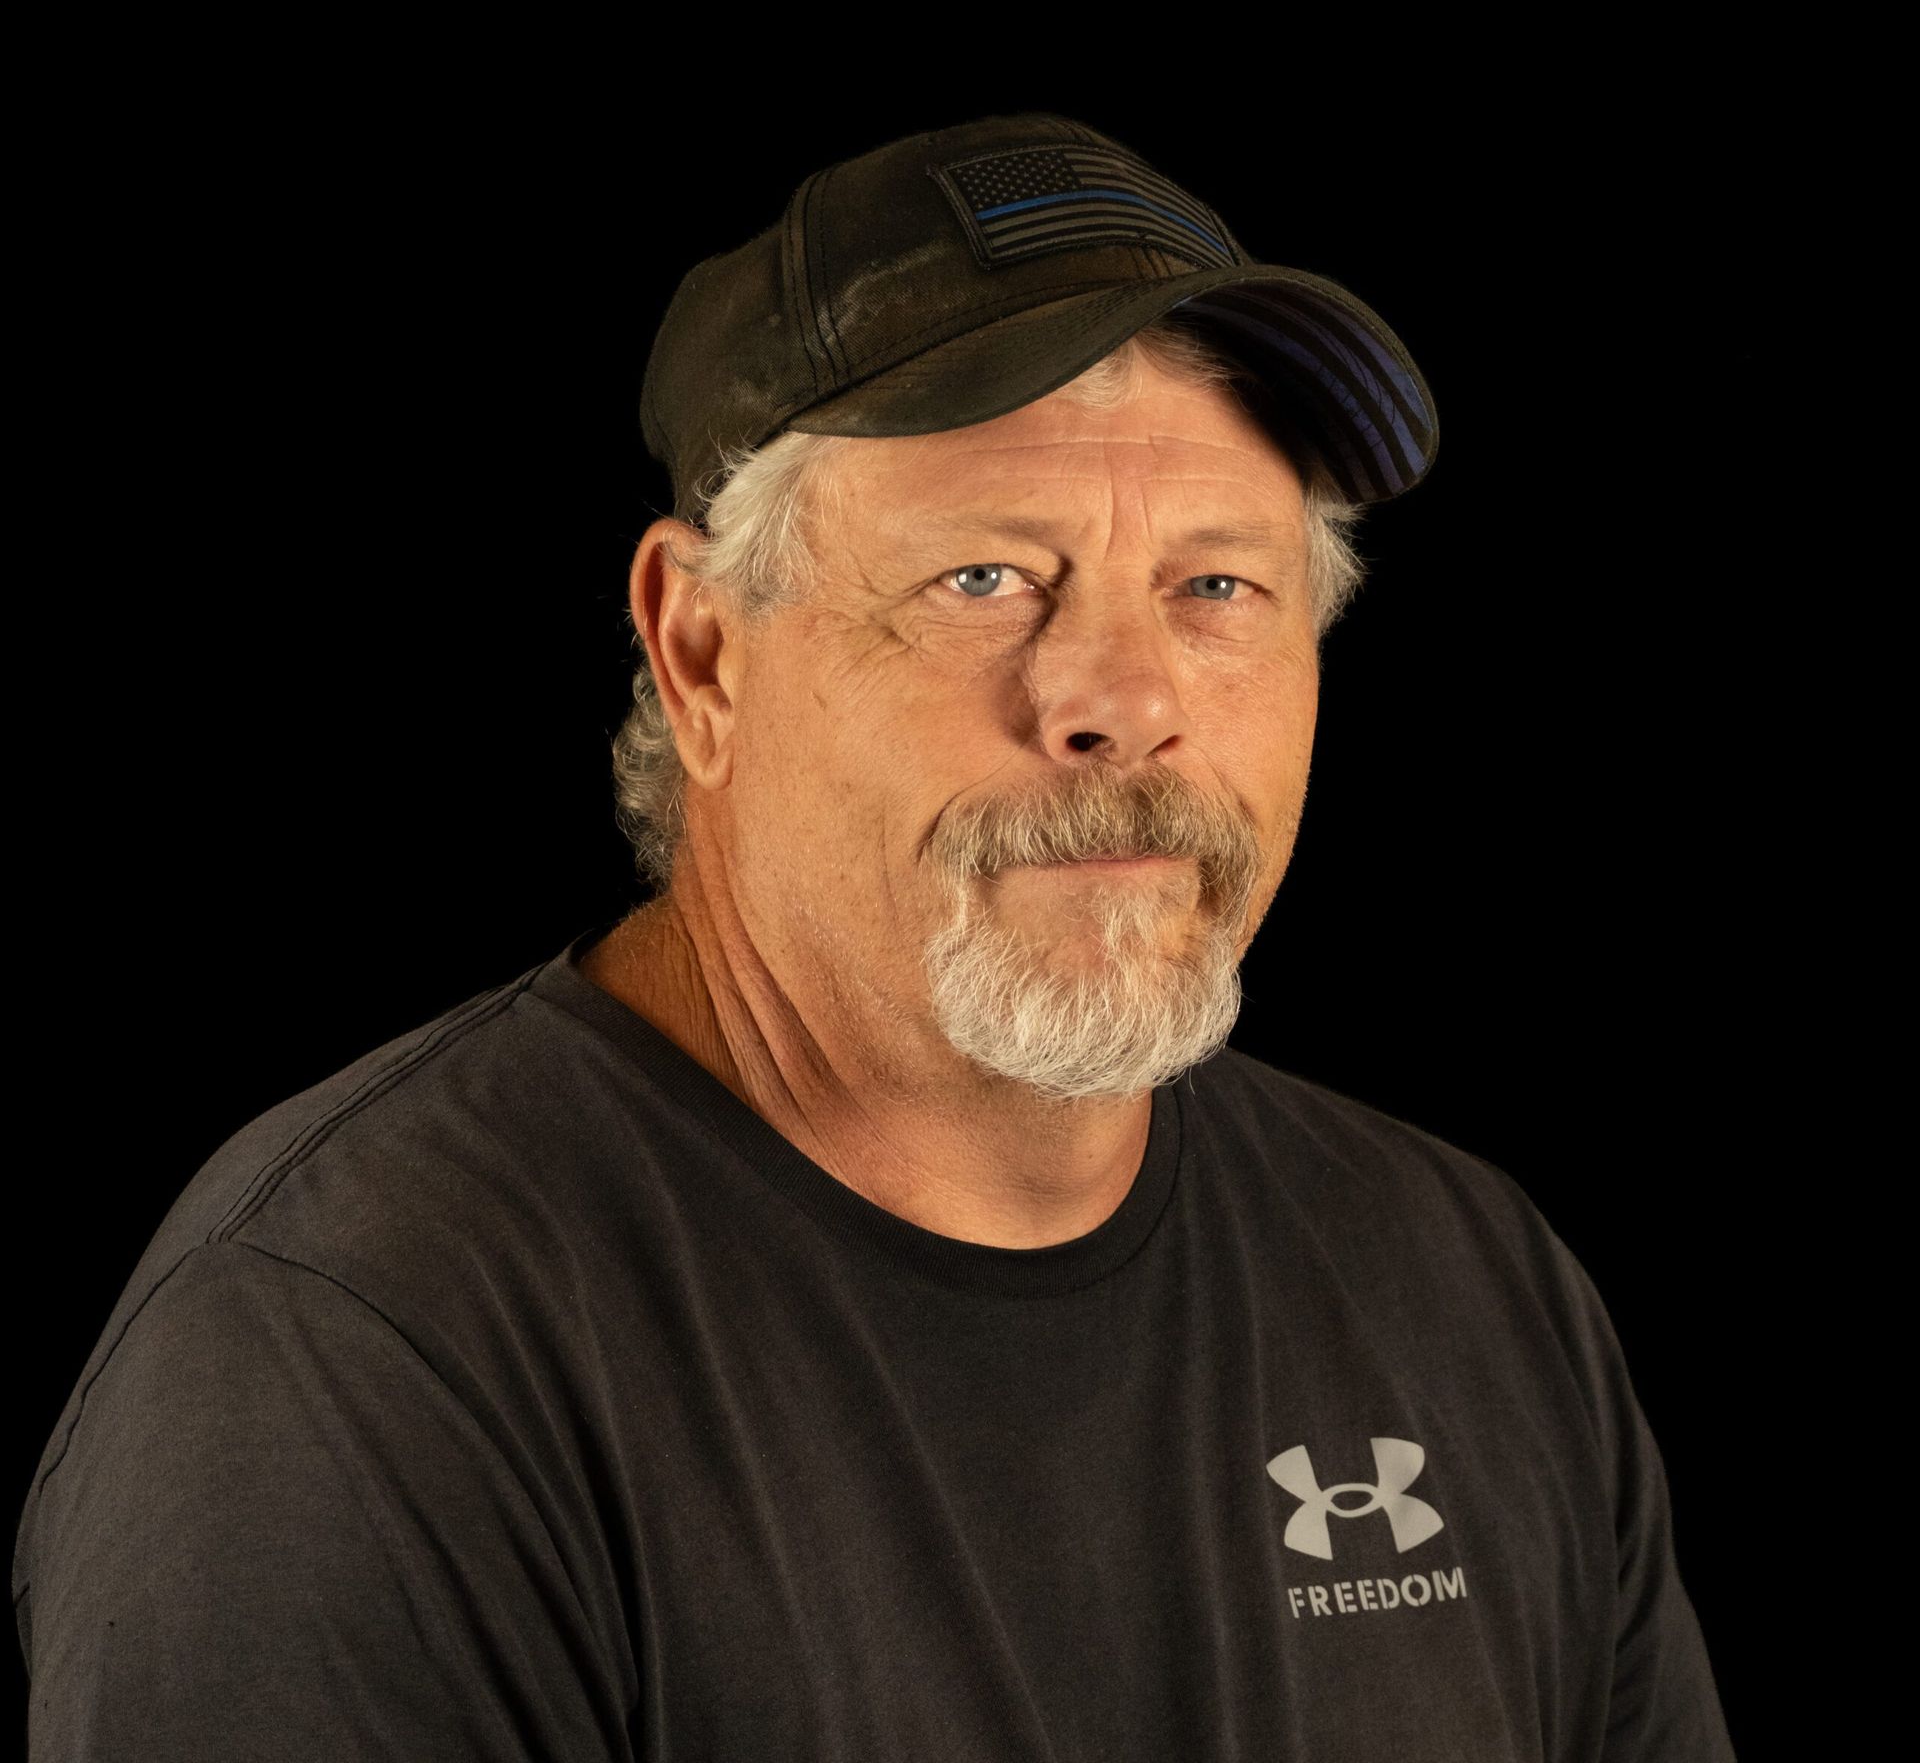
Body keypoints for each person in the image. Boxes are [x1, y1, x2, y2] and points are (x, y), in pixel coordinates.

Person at [12, 112, 1736, 1759]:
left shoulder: (1462, 1284)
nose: (1125, 703)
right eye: (986, 580)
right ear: (702, 653)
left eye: (1218, 587)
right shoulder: (354, 1364)